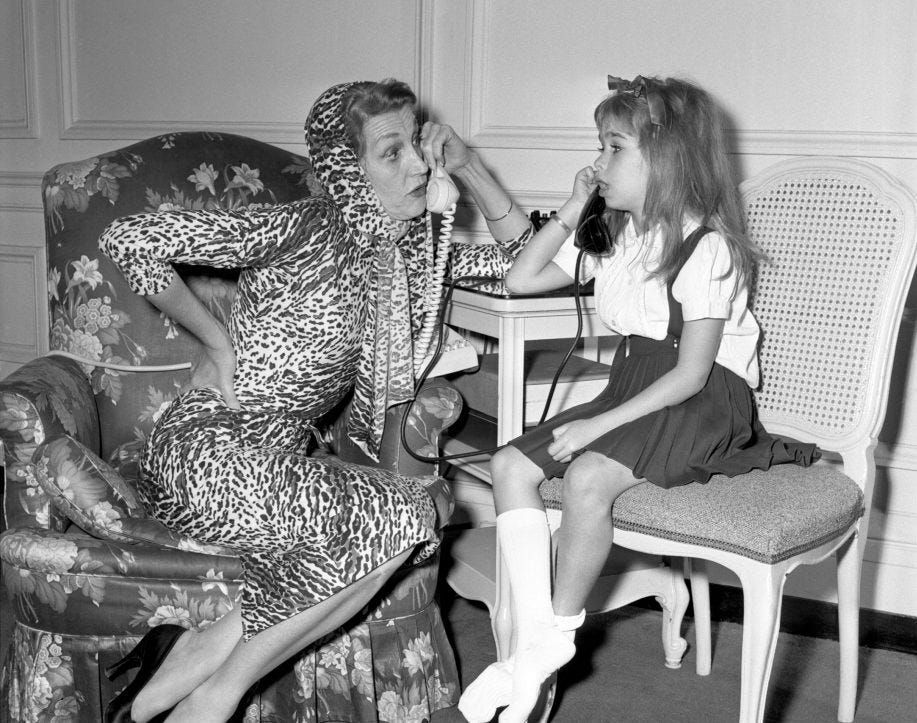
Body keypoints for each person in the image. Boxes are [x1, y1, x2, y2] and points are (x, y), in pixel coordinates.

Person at [98, 78, 531, 723]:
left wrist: (466, 166)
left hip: (279, 459)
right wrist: (217, 341)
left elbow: (526, 259)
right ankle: (211, 697)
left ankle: (171, 684)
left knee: (411, 516)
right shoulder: (303, 227)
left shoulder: (411, 255)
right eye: (391, 153)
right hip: (210, 446)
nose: (417, 163)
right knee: (405, 516)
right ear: (345, 171)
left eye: (417, 144)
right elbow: (129, 239)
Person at [458, 75, 819, 723]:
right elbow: (522, 275)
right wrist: (572, 207)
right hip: (633, 385)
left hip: (702, 397)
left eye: (613, 147)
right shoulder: (625, 240)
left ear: (667, 159)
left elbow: (690, 374)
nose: (597, 163)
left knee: (589, 476)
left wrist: (598, 423)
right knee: (509, 464)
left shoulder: (706, 247)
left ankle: (551, 640)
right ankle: (534, 645)